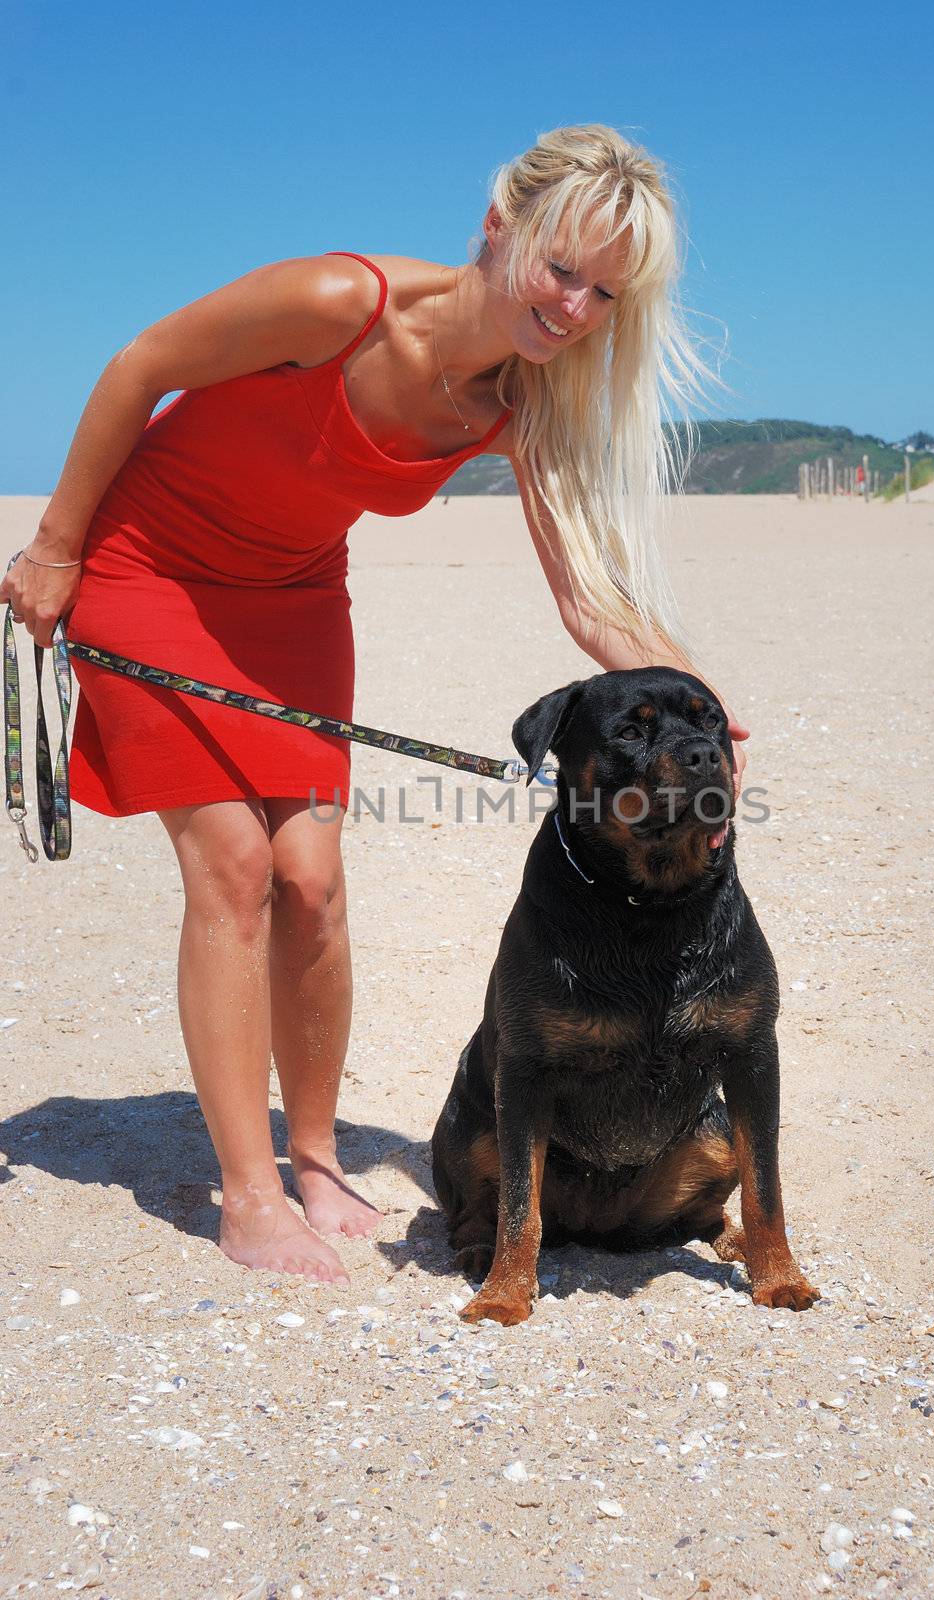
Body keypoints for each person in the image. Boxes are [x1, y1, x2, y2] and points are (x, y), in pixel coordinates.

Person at [1, 124, 749, 1286]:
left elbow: (587, 607)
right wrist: (54, 548)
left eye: (605, 291)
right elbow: (142, 362)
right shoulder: (337, 301)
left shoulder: (525, 397)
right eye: (563, 266)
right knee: (236, 867)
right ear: (502, 226)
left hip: (295, 599)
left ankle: (312, 1157)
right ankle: (246, 1194)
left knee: (313, 878)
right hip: (145, 569)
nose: (575, 306)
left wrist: (701, 709)